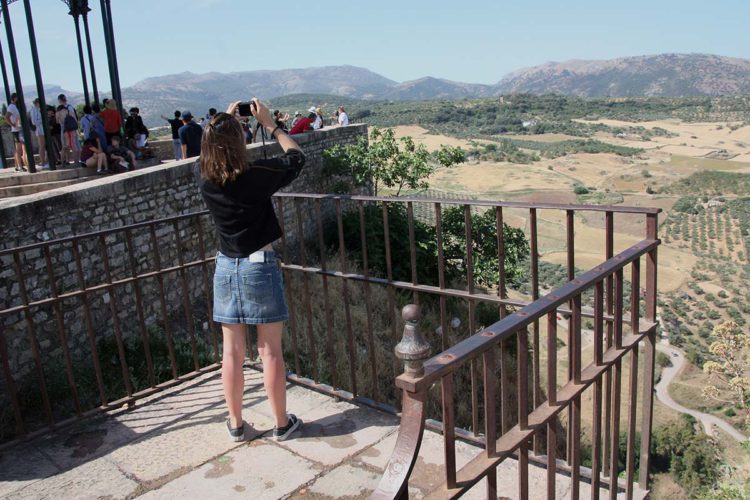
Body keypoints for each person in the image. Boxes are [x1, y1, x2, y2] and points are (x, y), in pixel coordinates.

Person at [196, 97, 305, 442]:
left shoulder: (205, 181)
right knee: (269, 350)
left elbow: (209, 156)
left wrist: (222, 122)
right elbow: (296, 157)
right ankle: (281, 424)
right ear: (240, 141)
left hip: (225, 267)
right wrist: (271, 124)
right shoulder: (256, 175)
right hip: (259, 265)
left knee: (232, 352)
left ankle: (236, 423)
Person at [6, 93, 27, 171]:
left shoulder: (14, 107)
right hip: (16, 130)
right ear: (15, 98)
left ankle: (17, 165)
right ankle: (20, 166)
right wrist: (13, 125)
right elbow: (6, 117)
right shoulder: (11, 107)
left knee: (18, 149)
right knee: (19, 149)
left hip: (17, 129)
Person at [30, 98, 48, 169]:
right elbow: (34, 122)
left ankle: (45, 161)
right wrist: (42, 119)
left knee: (44, 146)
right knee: (42, 146)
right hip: (40, 130)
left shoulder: (39, 109)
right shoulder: (34, 110)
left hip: (43, 129)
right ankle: (43, 162)